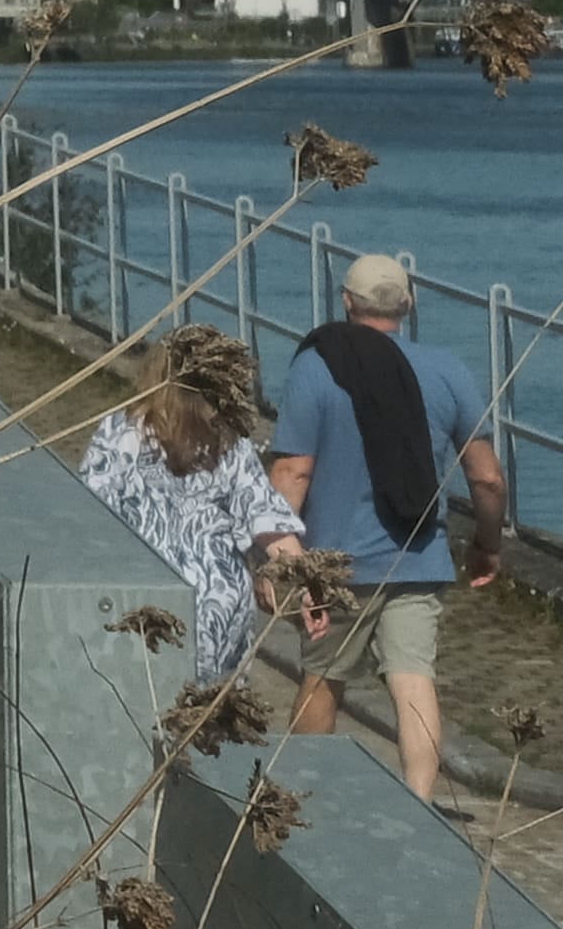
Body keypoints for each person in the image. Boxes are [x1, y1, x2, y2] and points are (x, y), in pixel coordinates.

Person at [275, 248, 505, 806]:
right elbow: (488, 479)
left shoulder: (317, 366)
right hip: (419, 554)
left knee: (323, 676)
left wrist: (284, 556)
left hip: (335, 562)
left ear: (346, 302)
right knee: (412, 677)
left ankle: (308, 798)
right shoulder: (447, 369)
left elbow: (293, 469)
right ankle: (420, 800)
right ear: (408, 304)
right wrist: (487, 545)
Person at [76, 339, 308, 687]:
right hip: (219, 605)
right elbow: (269, 522)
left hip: (145, 600)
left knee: (147, 706)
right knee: (210, 718)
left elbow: (87, 515)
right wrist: (308, 589)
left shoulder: (119, 433)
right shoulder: (229, 441)